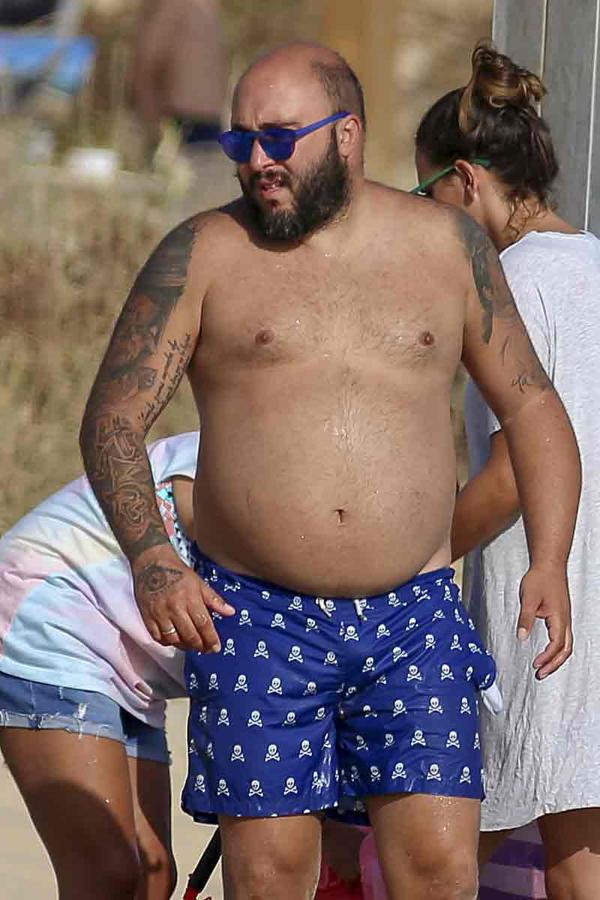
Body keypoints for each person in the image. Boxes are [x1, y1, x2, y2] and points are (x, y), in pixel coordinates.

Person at [79, 41, 581, 900]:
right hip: (258, 614)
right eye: (240, 143)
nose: (256, 162)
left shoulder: (447, 247)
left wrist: (549, 559)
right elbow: (115, 418)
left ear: (347, 134)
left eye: (280, 138)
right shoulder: (202, 254)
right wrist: (154, 557)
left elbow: (534, 405)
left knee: (436, 869)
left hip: (414, 618)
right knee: (272, 876)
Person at [413, 44, 600, 900]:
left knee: (567, 850)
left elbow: (510, 475)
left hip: (553, 600)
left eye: (426, 195)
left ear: (464, 180)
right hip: (577, 588)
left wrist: (411, 559)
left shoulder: (509, 285)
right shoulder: (593, 264)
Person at [0, 432, 203, 900]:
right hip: (53, 614)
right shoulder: (243, 467)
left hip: (132, 658)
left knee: (152, 877)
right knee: (106, 870)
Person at [130, 0, 235, 213]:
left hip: (207, 118)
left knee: (202, 194)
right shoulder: (177, 7)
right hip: (179, 116)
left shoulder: (209, 10)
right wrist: (150, 114)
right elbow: (148, 60)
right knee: (177, 193)